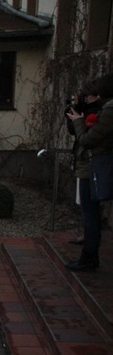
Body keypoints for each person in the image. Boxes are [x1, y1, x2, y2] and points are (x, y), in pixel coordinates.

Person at [67, 73, 113, 271]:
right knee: (90, 212)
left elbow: (87, 140)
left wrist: (78, 120)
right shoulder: (103, 110)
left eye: (91, 95)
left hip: (93, 167)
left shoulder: (108, 113)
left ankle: (89, 257)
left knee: (90, 213)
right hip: (90, 166)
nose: (87, 98)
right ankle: (89, 254)